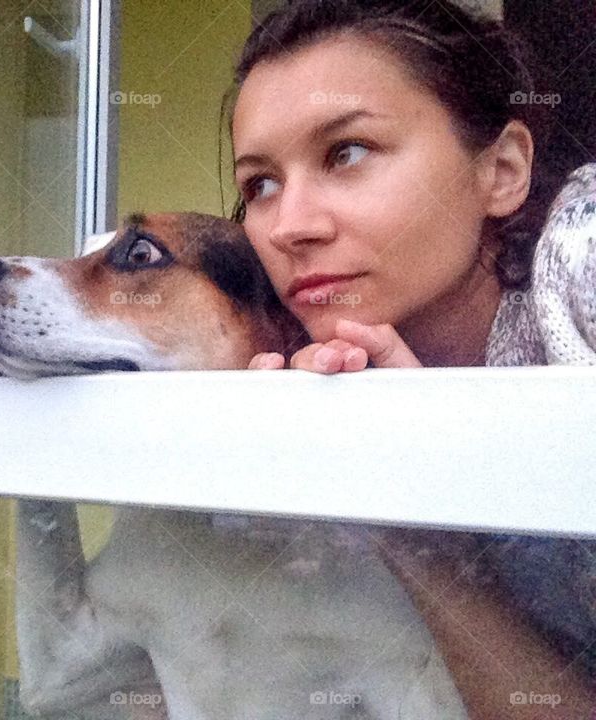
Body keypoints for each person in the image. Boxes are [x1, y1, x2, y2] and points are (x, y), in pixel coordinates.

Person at [225, 0, 596, 717]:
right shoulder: (321, 378)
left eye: (347, 152)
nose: (291, 227)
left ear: (504, 170)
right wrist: (400, 496)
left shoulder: (582, 259)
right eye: (259, 185)